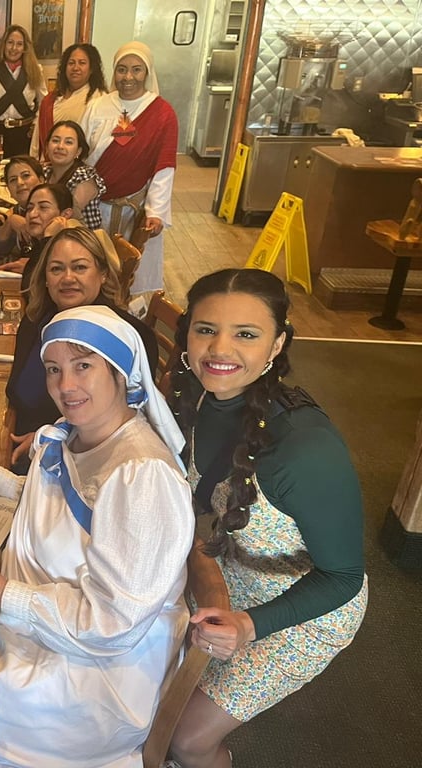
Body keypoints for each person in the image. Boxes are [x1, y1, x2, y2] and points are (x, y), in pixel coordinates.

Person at [0, 304, 194, 768]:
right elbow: (67, 512)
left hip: (90, 680)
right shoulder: (79, 434)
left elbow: (111, 623)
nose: (65, 385)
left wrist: (4, 593)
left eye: (83, 366)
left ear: (121, 372)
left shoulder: (142, 475)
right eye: (53, 369)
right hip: (46, 628)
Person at [166, 269, 367, 768]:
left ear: (277, 345)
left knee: (186, 740)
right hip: (228, 575)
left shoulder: (304, 451)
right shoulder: (194, 398)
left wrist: (251, 625)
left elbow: (342, 577)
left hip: (302, 609)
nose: (220, 349)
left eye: (246, 335)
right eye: (206, 329)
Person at [6, 227, 159, 472]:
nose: (67, 278)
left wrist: (55, 436)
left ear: (103, 274)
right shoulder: (36, 319)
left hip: (79, 464)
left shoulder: (128, 336)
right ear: (45, 278)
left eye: (80, 267)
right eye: (56, 269)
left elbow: (131, 424)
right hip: (16, 440)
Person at [81, 41, 178, 294]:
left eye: (136, 69)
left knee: (128, 279)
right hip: (94, 206)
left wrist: (155, 211)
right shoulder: (98, 106)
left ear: (147, 72)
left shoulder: (162, 113)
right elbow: (82, 153)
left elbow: (164, 165)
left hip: (133, 210)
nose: (128, 77)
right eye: (122, 69)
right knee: (91, 270)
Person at [0, 25, 47, 157]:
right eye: (10, 43)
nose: (14, 48)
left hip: (25, 133)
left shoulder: (35, 70)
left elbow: (44, 102)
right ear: (4, 45)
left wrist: (36, 123)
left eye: (19, 44)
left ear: (25, 48)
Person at [31, 43, 107, 161]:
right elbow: (37, 141)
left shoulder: (99, 99)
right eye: (71, 63)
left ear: (92, 69)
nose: (75, 68)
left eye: (82, 63)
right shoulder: (50, 100)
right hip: (47, 167)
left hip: (79, 168)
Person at [0, 182, 74, 289]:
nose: (32, 214)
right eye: (29, 208)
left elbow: (34, 291)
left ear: (65, 214)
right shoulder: (35, 236)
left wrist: (32, 268)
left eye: (43, 207)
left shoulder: (71, 247)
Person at [41, 119, 105, 229]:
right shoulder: (44, 172)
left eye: (68, 142)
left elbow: (68, 215)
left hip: (80, 240)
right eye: (55, 140)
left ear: (78, 151)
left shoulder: (85, 176)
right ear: (47, 147)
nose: (60, 146)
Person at [0, 155, 42, 268]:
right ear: (9, 192)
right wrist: (10, 222)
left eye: (26, 176)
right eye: (13, 180)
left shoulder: (55, 207)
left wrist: (33, 266)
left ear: (41, 180)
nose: (20, 183)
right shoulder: (19, 210)